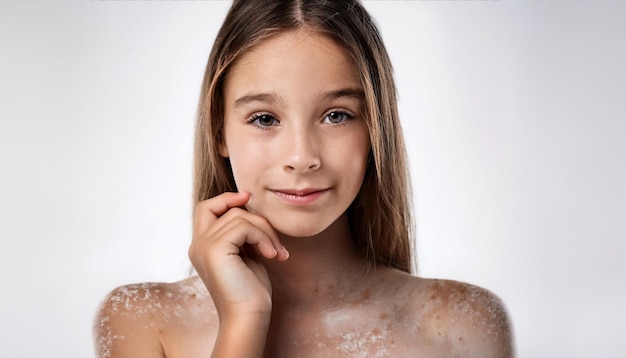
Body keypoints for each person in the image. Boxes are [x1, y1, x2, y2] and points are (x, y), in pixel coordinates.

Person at [93, 0, 514, 357]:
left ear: (375, 130)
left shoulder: (463, 324)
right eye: (264, 118)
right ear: (219, 130)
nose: (302, 157)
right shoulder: (143, 321)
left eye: (336, 115)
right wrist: (243, 320)